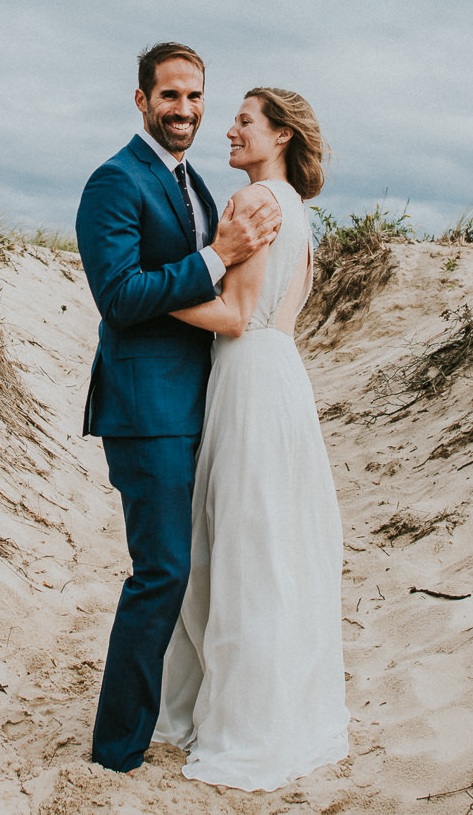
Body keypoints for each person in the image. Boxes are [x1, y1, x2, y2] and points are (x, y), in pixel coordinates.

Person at [75, 42, 284, 774]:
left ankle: (179, 715)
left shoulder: (194, 183)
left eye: (195, 97)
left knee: (196, 572)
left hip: (206, 401)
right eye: (170, 96)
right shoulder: (114, 182)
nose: (185, 111)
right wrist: (214, 256)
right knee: (160, 571)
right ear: (141, 100)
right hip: (147, 407)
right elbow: (121, 297)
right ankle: (116, 752)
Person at [154, 86, 350, 790]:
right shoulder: (297, 210)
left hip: (247, 375)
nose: (229, 130)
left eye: (245, 121)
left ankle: (240, 724)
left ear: (281, 136)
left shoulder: (254, 203)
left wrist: (154, 293)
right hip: (283, 376)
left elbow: (236, 313)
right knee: (275, 546)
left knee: (237, 548)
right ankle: (277, 710)